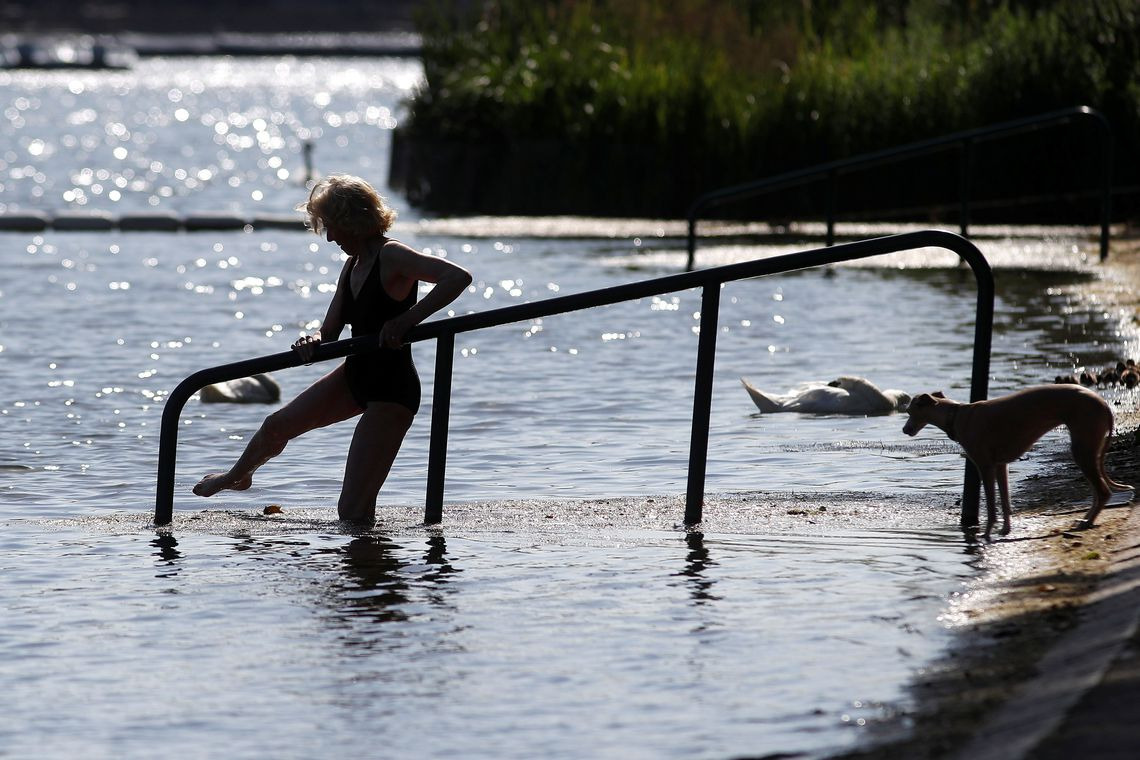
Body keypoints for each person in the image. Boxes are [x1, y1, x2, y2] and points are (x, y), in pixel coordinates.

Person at [192, 174, 472, 521]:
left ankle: (371, 569)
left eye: (334, 227)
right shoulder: (351, 265)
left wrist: (406, 320)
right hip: (355, 374)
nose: (331, 237)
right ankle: (236, 477)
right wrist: (314, 340)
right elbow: (330, 331)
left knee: (352, 511)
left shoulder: (393, 255)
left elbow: (457, 277)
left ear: (354, 221)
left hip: (391, 391)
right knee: (275, 426)